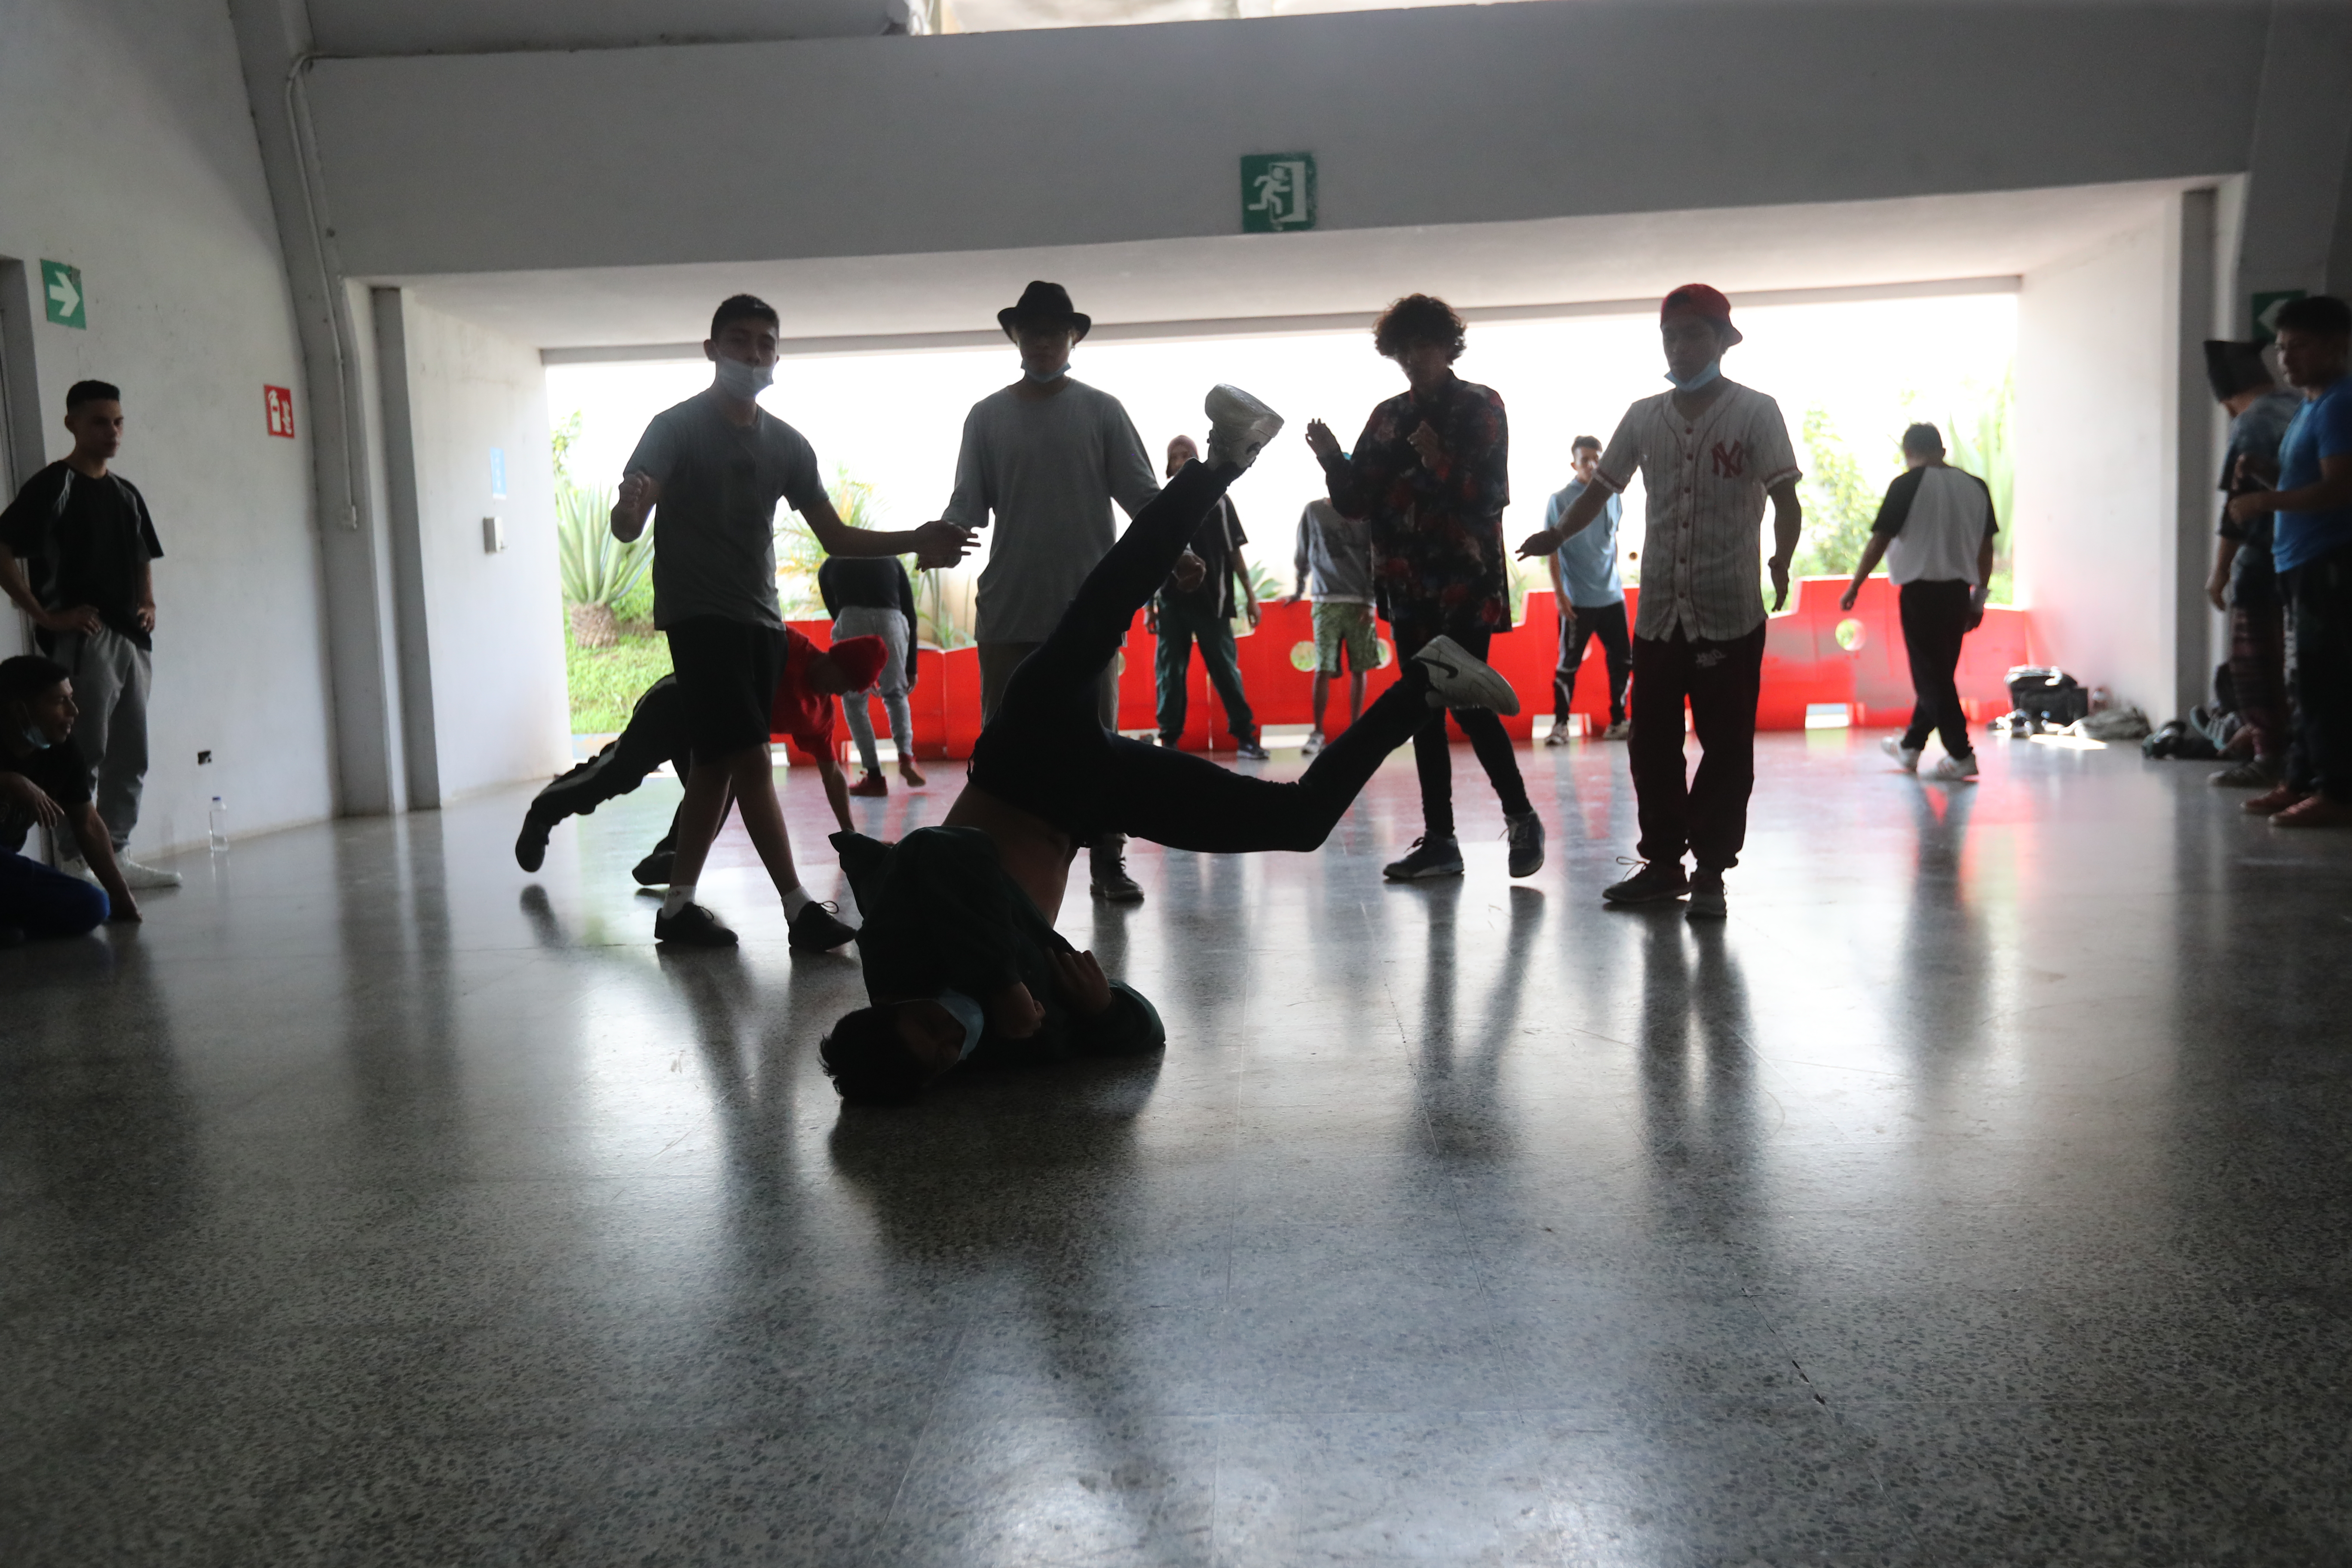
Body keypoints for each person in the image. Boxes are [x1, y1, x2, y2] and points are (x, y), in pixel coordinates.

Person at [817, 386, 1521, 1104]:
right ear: (939, 1078)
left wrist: (998, 983)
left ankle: (1222, 458)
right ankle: (1426, 680)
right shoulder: (1007, 1044)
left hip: (1019, 762)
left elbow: (945, 851)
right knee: (1298, 824)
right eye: (941, 1053)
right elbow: (1140, 1035)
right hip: (1084, 802)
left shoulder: (894, 951)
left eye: (926, 1024)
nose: (948, 1033)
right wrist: (1100, 1010)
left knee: (1102, 608)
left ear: (890, 1006)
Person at [610, 294, 970, 949]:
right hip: (699, 618)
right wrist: (628, 510)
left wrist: (917, 538)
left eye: (765, 344)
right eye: (740, 341)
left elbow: (832, 535)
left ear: (777, 354)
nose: (753, 355)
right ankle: (799, 907)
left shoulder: (787, 444)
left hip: (760, 623)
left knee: (718, 767)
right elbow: (628, 522)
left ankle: (677, 909)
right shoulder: (674, 427)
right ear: (711, 350)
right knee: (750, 758)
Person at [1519, 284, 1803, 920]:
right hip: (1659, 618)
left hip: (1730, 611)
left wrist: (1781, 558)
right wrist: (1559, 534)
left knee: (1726, 744)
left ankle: (1709, 872)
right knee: (1651, 744)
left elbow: (1786, 498)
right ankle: (1665, 865)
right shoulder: (1645, 416)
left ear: (1723, 342)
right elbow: (1603, 487)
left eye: (1693, 334)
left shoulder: (1758, 412)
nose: (1680, 347)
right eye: (1670, 336)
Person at [937, 281, 1166, 903]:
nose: (1043, 341)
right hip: (1009, 607)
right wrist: (944, 533)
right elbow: (967, 505)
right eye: (1032, 330)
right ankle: (995, 857)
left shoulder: (1102, 411)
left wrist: (1184, 552)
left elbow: (1144, 499)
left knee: (1098, 739)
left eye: (1055, 331)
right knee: (1003, 741)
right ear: (1015, 337)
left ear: (1073, 338)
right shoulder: (987, 416)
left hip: (1088, 610)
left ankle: (1107, 860)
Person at [1304, 294, 1544, 882]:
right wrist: (1333, 459)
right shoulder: (1387, 417)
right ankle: (1441, 840)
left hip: (1463, 583)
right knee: (1422, 710)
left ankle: (1520, 816)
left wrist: (1440, 460)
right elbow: (1356, 502)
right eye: (1406, 348)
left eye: (1426, 345)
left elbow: (1490, 496)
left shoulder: (1480, 406)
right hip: (1407, 585)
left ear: (1447, 346)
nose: (1416, 357)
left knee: (1464, 699)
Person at [514, 634, 889, 898]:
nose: (846, 692)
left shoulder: (819, 713)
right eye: (850, 681)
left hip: (719, 736)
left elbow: (832, 773)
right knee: (619, 773)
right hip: (679, 701)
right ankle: (543, 813)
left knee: (723, 787)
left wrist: (850, 835)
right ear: (836, 660)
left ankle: (670, 856)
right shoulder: (784, 644)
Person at [0, 380, 180, 891]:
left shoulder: (126, 493)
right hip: (84, 638)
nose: (112, 432)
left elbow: (145, 553)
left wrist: (148, 602)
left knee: (132, 751)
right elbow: (5, 546)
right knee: (85, 748)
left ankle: (116, 852)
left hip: (132, 638)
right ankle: (76, 859)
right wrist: (44, 614)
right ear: (72, 424)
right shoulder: (54, 486)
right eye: (100, 421)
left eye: (118, 421)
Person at [2229, 294, 2352, 829]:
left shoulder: (2342, 404)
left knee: (2326, 680)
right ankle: (2300, 780)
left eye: (2300, 346)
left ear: (2337, 346)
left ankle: (2337, 792)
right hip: (2299, 558)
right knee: (2305, 679)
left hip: (2329, 559)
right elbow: (2303, 483)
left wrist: (2264, 503)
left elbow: (2339, 490)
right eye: (2281, 348)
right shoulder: (2310, 405)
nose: (2287, 359)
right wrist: (2266, 476)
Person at [1837, 423, 1998, 781]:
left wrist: (1855, 587)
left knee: (1931, 678)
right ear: (1942, 449)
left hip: (1920, 595)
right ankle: (1910, 747)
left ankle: (1961, 755)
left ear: (1908, 453)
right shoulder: (1976, 487)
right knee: (1938, 675)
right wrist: (1979, 599)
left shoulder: (1905, 485)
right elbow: (1986, 548)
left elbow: (1880, 541)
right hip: (1958, 594)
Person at [2200, 340, 2303, 790]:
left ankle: (2268, 753)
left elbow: (2237, 506)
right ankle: (2290, 741)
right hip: (2317, 555)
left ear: (2226, 399)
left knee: (2254, 658)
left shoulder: (2252, 421)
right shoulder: (2304, 405)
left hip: (2268, 554)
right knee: (2308, 659)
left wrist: (2220, 571)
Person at [0, 655, 137, 942]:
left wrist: (119, 892)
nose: (73, 711)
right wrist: (10, 780)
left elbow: (87, 822)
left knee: (92, 905)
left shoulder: (62, 752)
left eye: (71, 699)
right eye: (59, 701)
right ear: (20, 710)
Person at [1149, 434, 1266, 758]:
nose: (1183, 458)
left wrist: (1252, 597)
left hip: (1214, 601)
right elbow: (1152, 557)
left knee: (1226, 670)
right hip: (1172, 602)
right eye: (1176, 455)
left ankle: (1245, 737)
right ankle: (1169, 740)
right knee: (1170, 672)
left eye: (1189, 454)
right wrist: (1150, 606)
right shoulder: (1161, 502)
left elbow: (1234, 554)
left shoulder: (1219, 500)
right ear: (1169, 467)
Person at [1540, 435, 1632, 745]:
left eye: (1598, 459)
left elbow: (1611, 541)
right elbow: (1552, 550)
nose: (1593, 466)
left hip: (1612, 598)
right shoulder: (1561, 500)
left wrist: (1614, 579)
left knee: (1623, 660)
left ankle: (1619, 722)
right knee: (1568, 664)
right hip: (1577, 600)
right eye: (1585, 461)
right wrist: (1560, 594)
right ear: (1574, 465)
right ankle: (1561, 726)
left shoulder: (1614, 496)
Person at [818, 554, 925, 796]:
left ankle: (874, 776)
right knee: (896, 694)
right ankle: (907, 758)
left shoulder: (832, 563)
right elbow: (910, 611)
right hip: (893, 620)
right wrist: (912, 667)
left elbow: (835, 610)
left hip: (852, 618)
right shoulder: (891, 560)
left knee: (855, 700)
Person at [1286, 496, 1378, 755]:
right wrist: (1299, 587)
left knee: (1360, 667)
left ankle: (1356, 731)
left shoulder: (1367, 511)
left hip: (1359, 600)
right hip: (1325, 599)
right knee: (1323, 666)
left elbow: (1376, 554)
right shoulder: (1314, 511)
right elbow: (1303, 550)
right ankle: (1317, 732)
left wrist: (1370, 600)